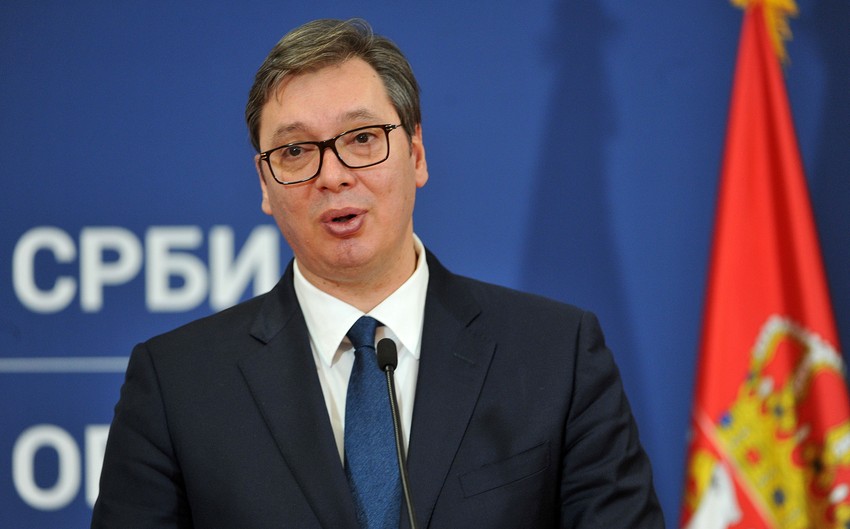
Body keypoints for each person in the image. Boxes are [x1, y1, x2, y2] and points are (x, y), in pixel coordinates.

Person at [92, 18, 664, 529]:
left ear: (416, 154)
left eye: (362, 139)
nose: (333, 175)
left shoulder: (556, 356)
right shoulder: (177, 385)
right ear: (264, 185)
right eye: (295, 152)